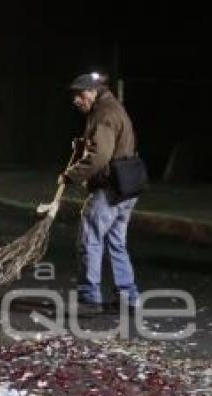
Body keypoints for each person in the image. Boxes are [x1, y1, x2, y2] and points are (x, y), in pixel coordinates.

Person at [60, 72, 140, 315]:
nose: (76, 100)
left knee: (89, 238)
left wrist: (71, 175)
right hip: (129, 184)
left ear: (93, 92)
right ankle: (128, 297)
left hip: (111, 186)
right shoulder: (114, 107)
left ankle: (89, 298)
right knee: (116, 242)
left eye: (80, 94)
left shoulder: (102, 113)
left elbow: (100, 156)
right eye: (74, 95)